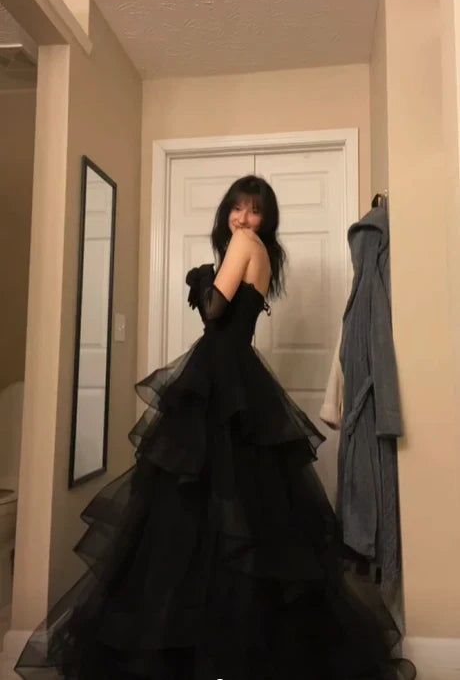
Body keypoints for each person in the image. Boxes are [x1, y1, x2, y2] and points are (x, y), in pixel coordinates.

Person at [14, 176, 416, 680]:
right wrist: (208, 275)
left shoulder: (244, 245)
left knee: (192, 509)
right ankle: (238, 647)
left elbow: (214, 312)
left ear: (265, 219)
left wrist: (203, 276)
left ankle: (193, 645)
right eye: (237, 208)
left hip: (220, 379)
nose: (243, 218)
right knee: (243, 512)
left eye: (254, 210)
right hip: (236, 378)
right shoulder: (264, 253)